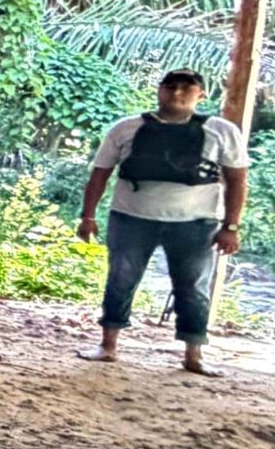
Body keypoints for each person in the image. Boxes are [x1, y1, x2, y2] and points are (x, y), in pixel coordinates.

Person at [77, 69, 248, 377]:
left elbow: (237, 180)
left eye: (187, 88)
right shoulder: (126, 128)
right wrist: (88, 216)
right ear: (159, 90)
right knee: (120, 280)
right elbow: (100, 173)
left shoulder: (221, 131)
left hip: (195, 223)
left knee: (193, 288)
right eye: (170, 87)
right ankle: (108, 346)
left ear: (201, 95)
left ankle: (193, 354)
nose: (177, 93)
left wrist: (231, 226)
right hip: (131, 218)